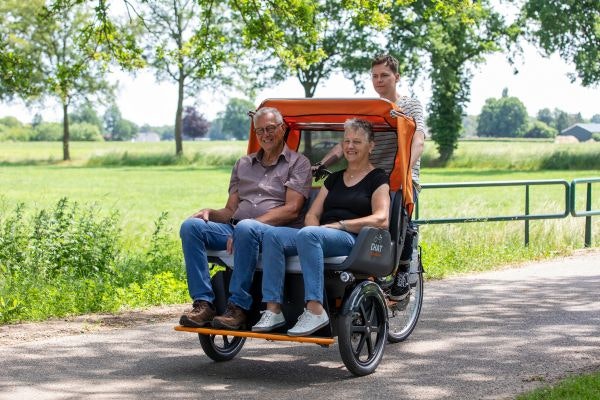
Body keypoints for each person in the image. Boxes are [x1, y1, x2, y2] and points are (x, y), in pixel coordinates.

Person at [251, 118, 390, 336]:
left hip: (353, 239)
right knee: (273, 235)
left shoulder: (377, 178)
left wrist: (340, 226)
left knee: (309, 235)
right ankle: (273, 308)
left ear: (371, 146)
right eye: (347, 141)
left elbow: (382, 219)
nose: (350, 146)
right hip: (320, 236)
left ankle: (315, 309)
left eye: (357, 142)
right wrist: (314, 231)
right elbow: (313, 214)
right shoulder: (333, 179)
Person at [179, 107, 312, 330]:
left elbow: (292, 209)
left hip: (272, 234)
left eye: (270, 129)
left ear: (282, 128)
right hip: (237, 230)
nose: (265, 135)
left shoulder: (298, 163)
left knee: (246, 228)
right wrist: (210, 213)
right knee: (191, 226)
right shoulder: (243, 164)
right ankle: (203, 303)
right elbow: (231, 210)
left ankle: (238, 307)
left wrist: (250, 225)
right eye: (260, 131)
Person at [313, 53, 426, 301]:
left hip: (401, 174)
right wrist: (322, 164)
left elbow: (418, 141)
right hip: (373, 174)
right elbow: (347, 143)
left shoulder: (410, 105)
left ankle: (404, 269)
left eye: (384, 75)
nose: (379, 80)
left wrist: (403, 169)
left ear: (397, 77)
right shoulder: (371, 110)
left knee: (400, 218)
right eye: (374, 76)